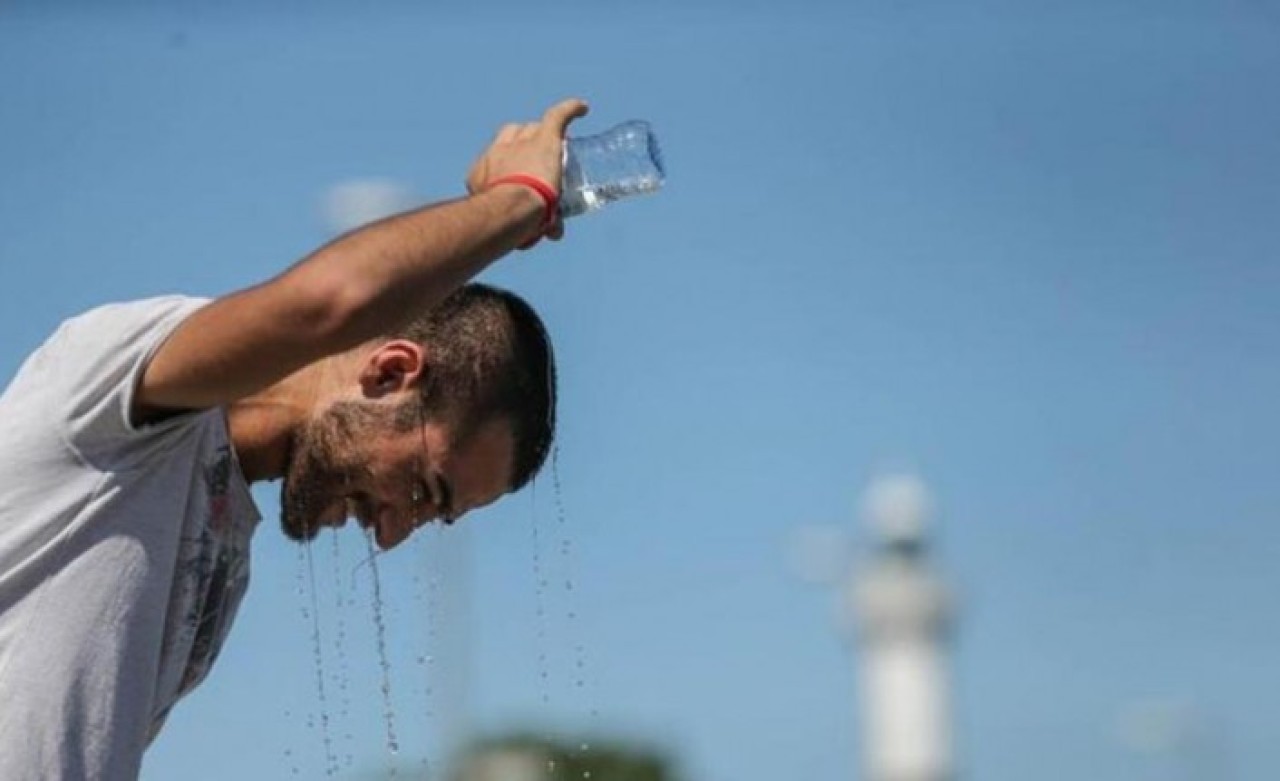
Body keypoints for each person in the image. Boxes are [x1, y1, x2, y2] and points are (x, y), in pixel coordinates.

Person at [0, 97, 590, 780]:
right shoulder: (113, 391)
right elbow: (328, 303)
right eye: (424, 489)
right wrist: (524, 198)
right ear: (390, 372)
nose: (392, 533)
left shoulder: (223, 554)